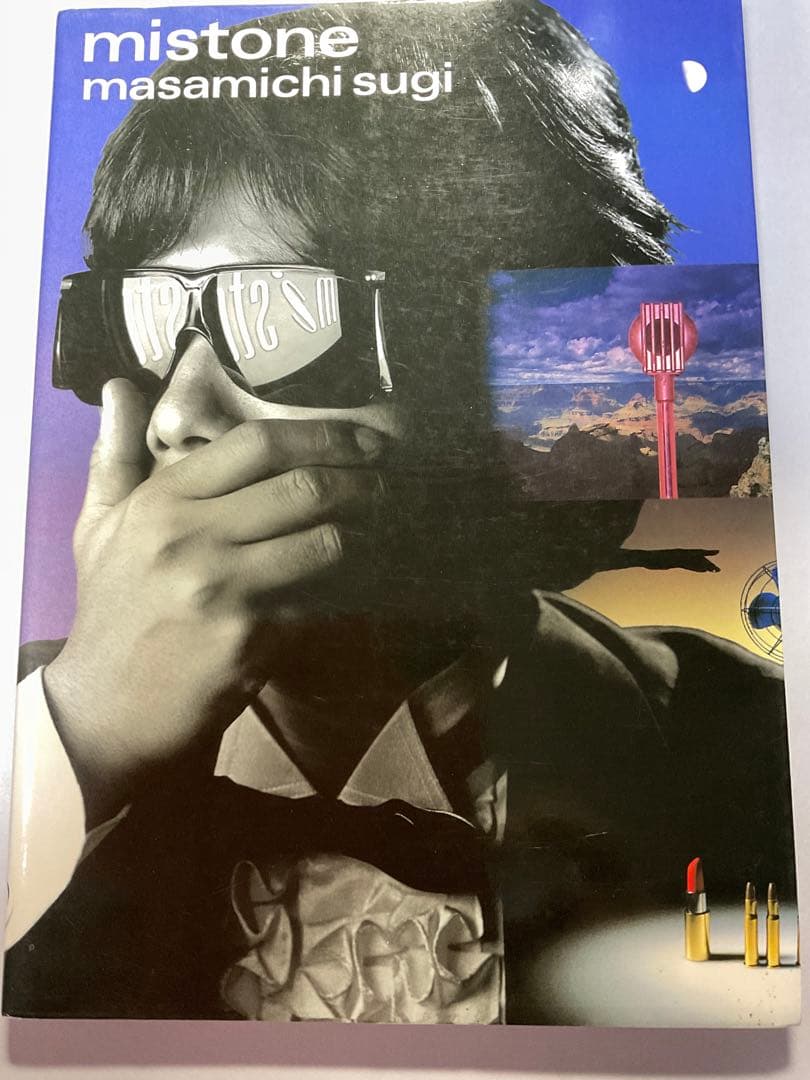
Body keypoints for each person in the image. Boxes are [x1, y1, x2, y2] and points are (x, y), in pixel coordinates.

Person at [4, 1, 794, 1023]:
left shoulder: (746, 742)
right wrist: (86, 735)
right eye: (152, 314)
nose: (178, 418)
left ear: (505, 371)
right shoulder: (39, 727)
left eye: (282, 314)